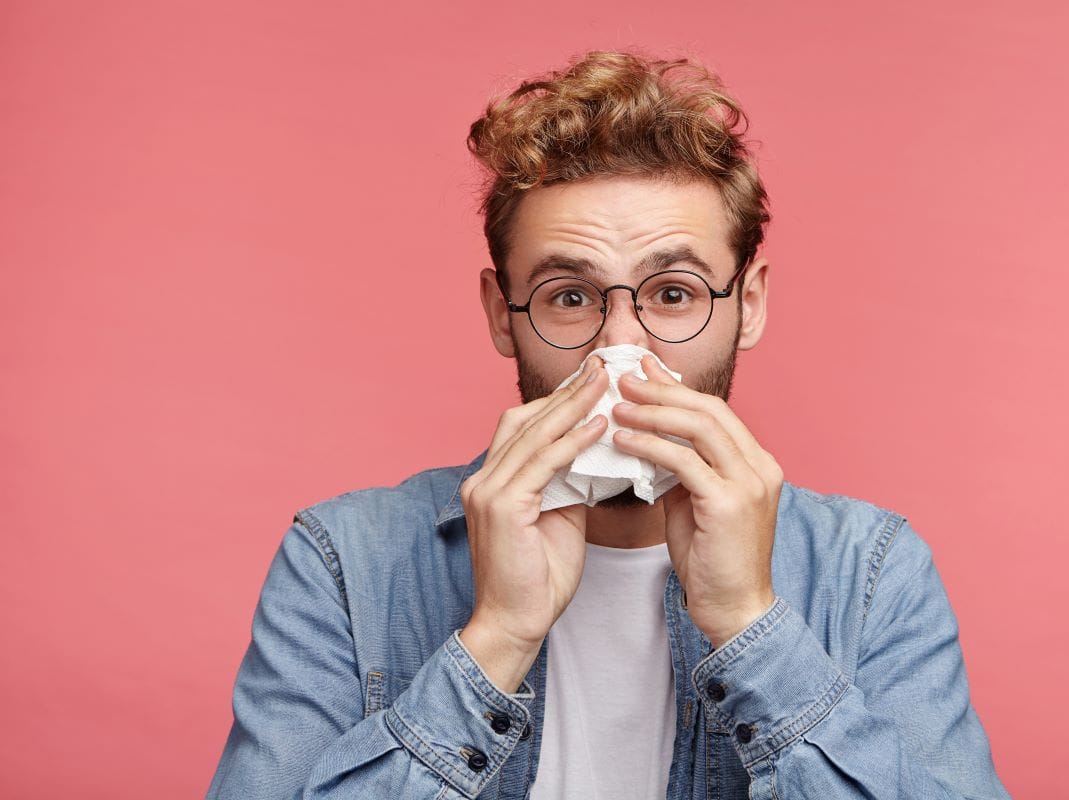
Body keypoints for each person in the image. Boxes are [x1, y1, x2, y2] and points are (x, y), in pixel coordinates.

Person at [204, 50, 1011, 800]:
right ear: (501, 313)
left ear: (749, 305)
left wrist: (751, 627)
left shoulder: (869, 574)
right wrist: (496, 639)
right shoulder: (345, 562)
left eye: (672, 294)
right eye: (569, 297)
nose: (620, 347)